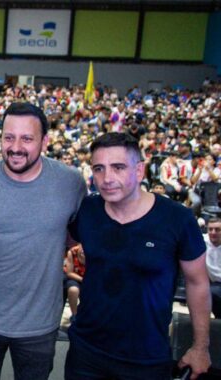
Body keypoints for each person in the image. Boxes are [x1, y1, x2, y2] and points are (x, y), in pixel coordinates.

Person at [65, 132, 211, 380]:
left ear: (139, 170)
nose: (107, 178)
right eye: (99, 169)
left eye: (118, 167)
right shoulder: (89, 210)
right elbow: (61, 245)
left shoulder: (177, 219)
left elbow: (198, 283)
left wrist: (200, 347)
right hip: (86, 352)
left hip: (147, 358)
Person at [0, 102, 86, 380]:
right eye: (9, 137)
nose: (16, 147)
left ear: (45, 140)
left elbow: (73, 236)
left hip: (40, 324)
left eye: (27, 138)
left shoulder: (71, 183)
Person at [64, 244, 85, 322]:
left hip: (89, 278)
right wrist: (83, 280)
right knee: (73, 290)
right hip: (75, 277)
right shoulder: (72, 252)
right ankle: (74, 315)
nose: (83, 251)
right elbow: (69, 273)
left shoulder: (94, 253)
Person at [205, 218, 221, 319]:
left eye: (217, 229)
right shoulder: (202, 242)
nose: (213, 232)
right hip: (212, 284)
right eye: (210, 229)